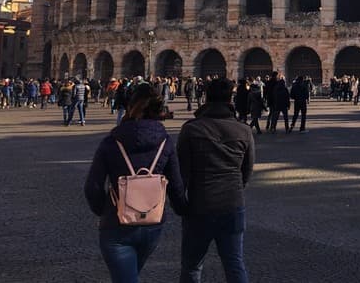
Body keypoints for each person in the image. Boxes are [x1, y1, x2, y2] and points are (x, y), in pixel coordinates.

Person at [84, 83, 187, 283]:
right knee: (129, 276)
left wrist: (105, 211)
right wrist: (183, 209)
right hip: (152, 224)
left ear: (131, 106)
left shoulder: (112, 141)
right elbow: (176, 186)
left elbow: (92, 187)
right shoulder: (165, 142)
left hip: (116, 224)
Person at [178, 78, 254, 283]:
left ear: (206, 98)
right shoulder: (244, 130)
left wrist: (180, 205)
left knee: (192, 266)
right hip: (232, 203)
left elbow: (181, 174)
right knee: (234, 263)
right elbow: (246, 172)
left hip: (199, 204)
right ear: (230, 98)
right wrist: (235, 188)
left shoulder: (191, 129)